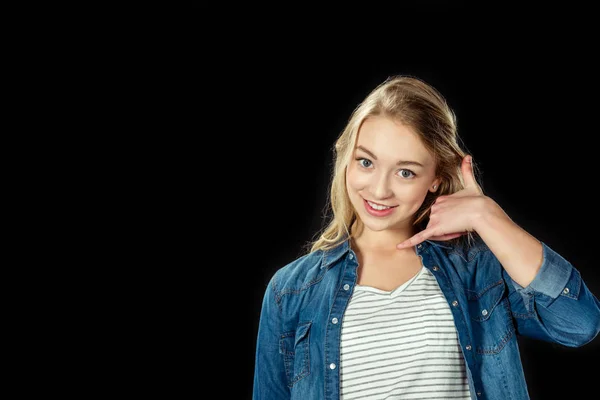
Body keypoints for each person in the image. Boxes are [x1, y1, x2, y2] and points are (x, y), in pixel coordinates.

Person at [252, 75, 600, 400]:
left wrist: (486, 215)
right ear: (347, 158)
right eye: (366, 162)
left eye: (406, 172)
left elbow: (579, 322)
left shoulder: (476, 268)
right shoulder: (291, 291)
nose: (379, 189)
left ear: (435, 178)